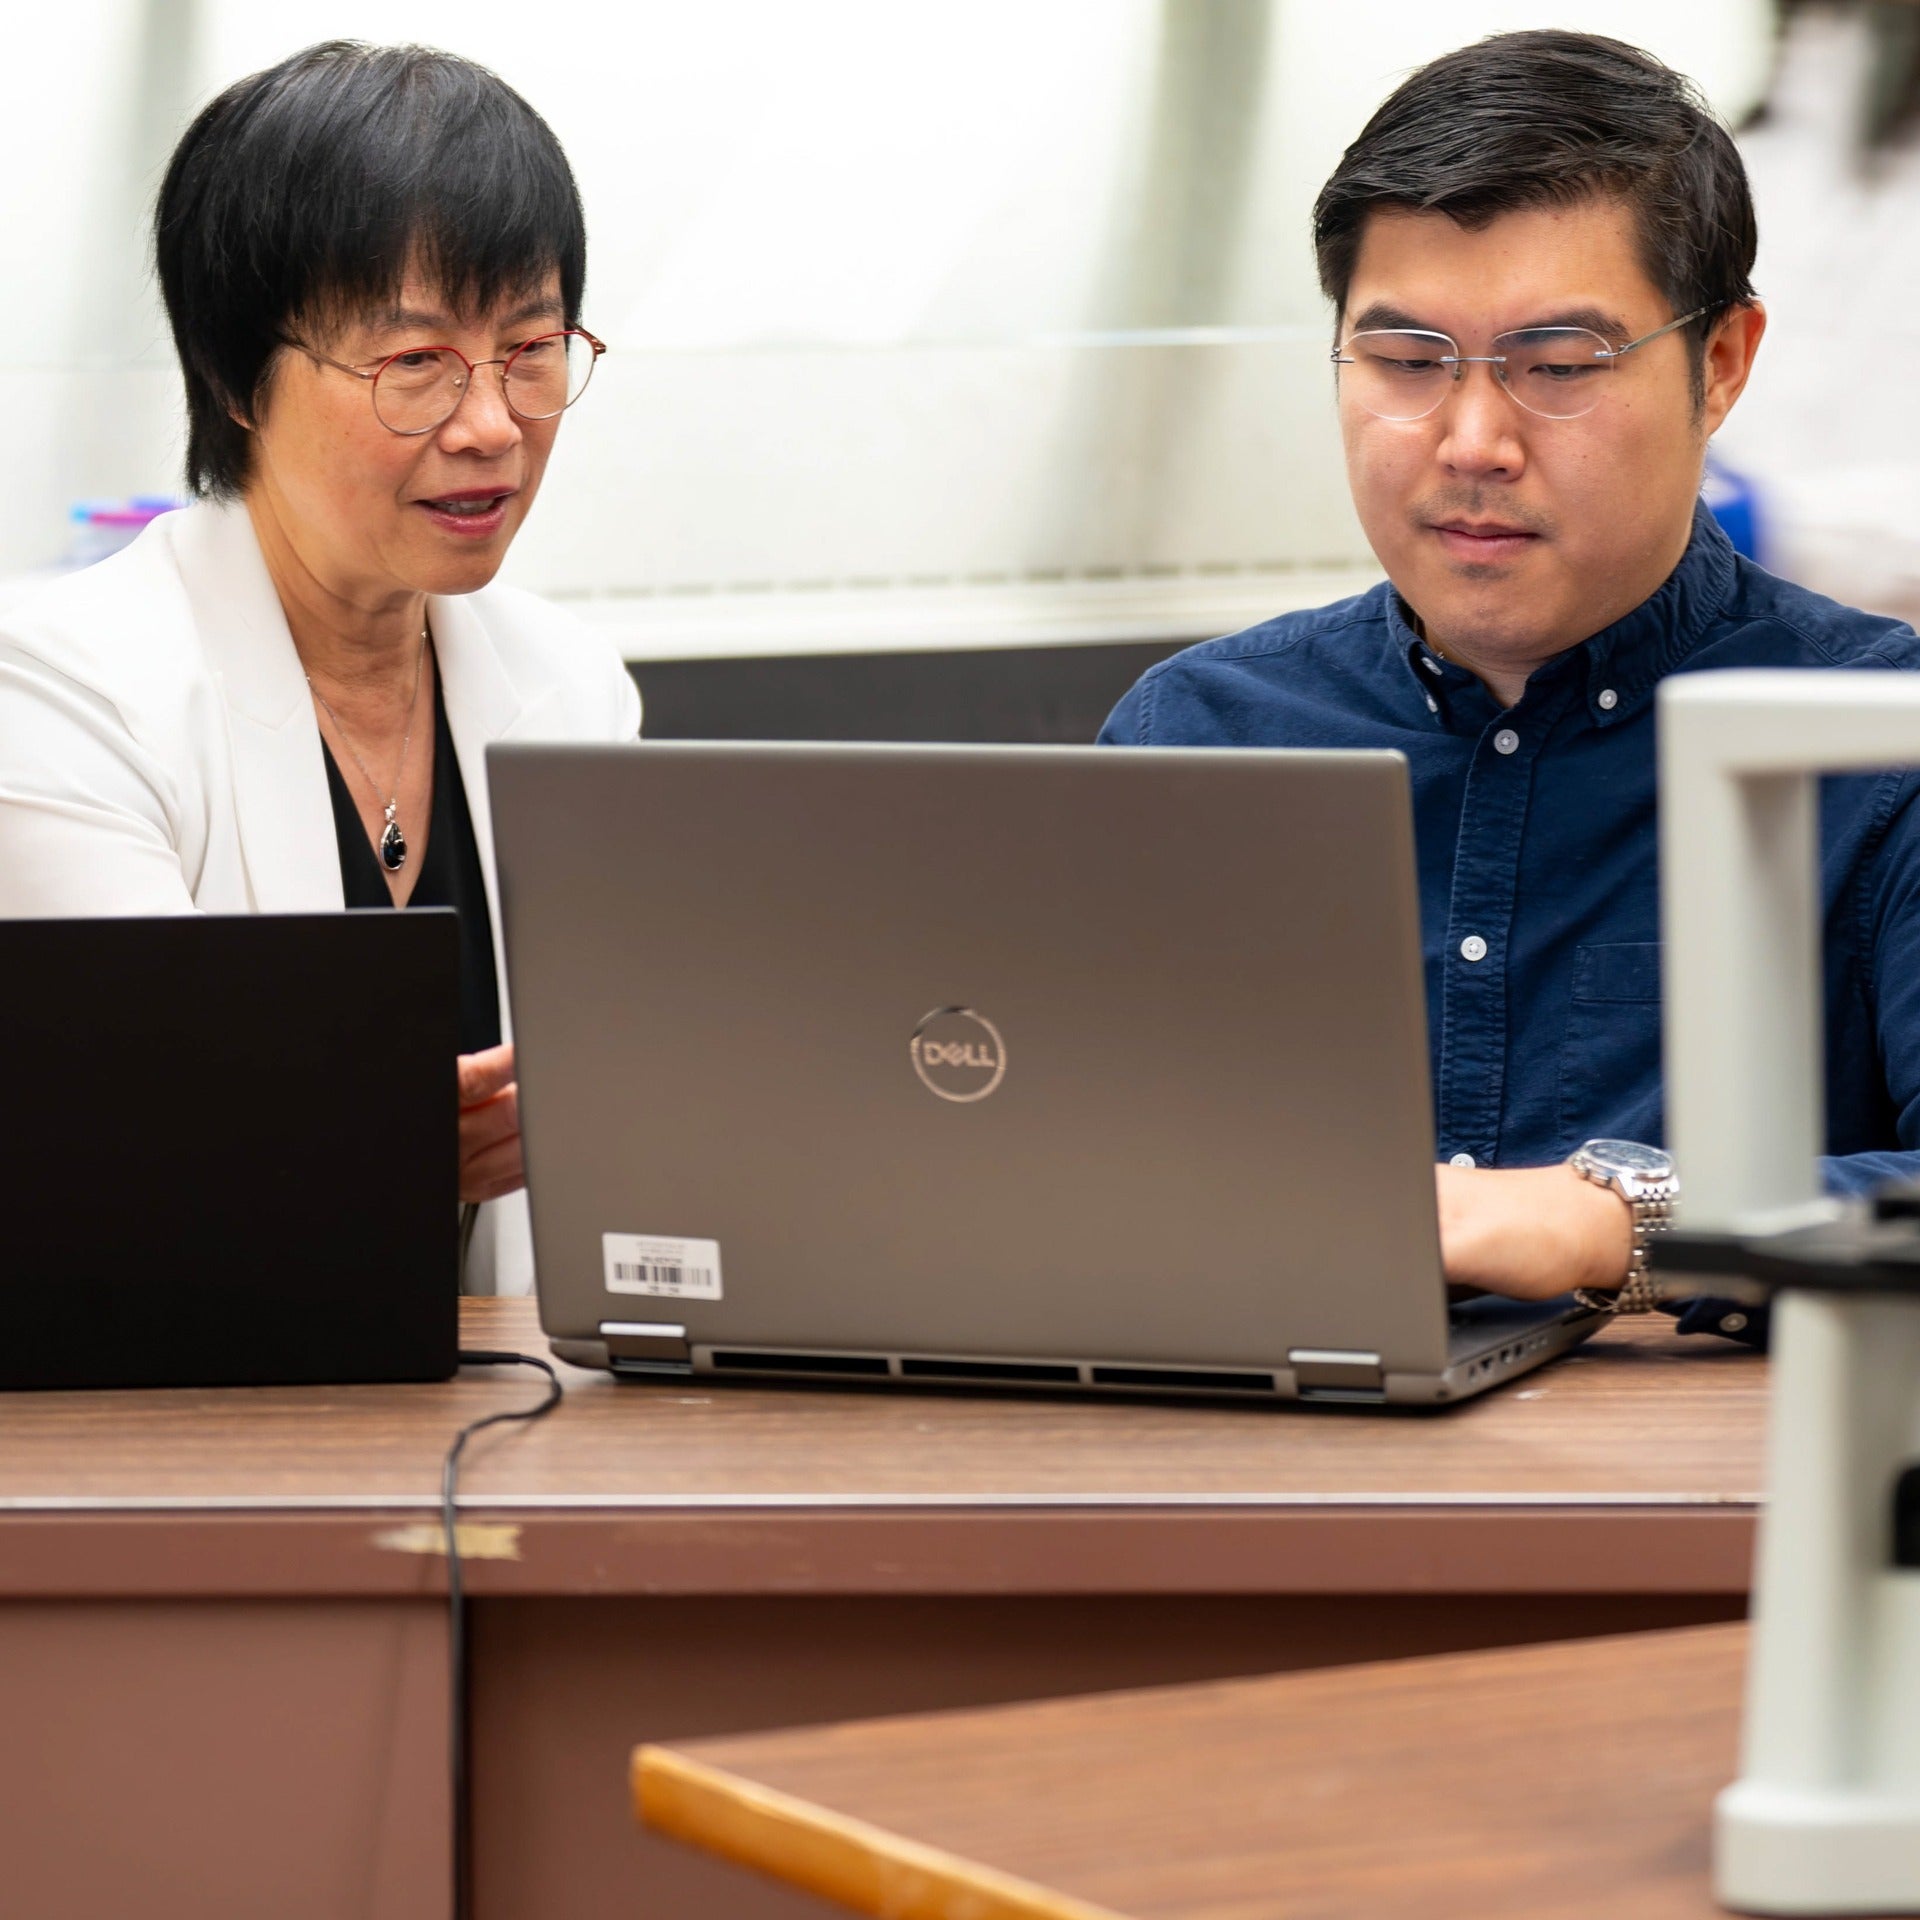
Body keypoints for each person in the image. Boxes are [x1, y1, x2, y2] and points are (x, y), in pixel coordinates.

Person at [1100, 29, 1920, 1347]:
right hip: (1246, 1487)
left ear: (1720, 365)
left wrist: (1617, 1222)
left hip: (1725, 1524)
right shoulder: (1199, 736)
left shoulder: (1877, 741)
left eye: (1558, 366)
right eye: (1407, 361)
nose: (1472, 442)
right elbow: (1062, 1176)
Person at [0, 42, 641, 1294]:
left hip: (506, 1420)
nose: (492, 424)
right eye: (414, 365)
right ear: (237, 378)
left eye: (531, 348)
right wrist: (383, 1149)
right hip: (186, 1435)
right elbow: (114, 1153)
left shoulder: (572, 687)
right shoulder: (58, 695)